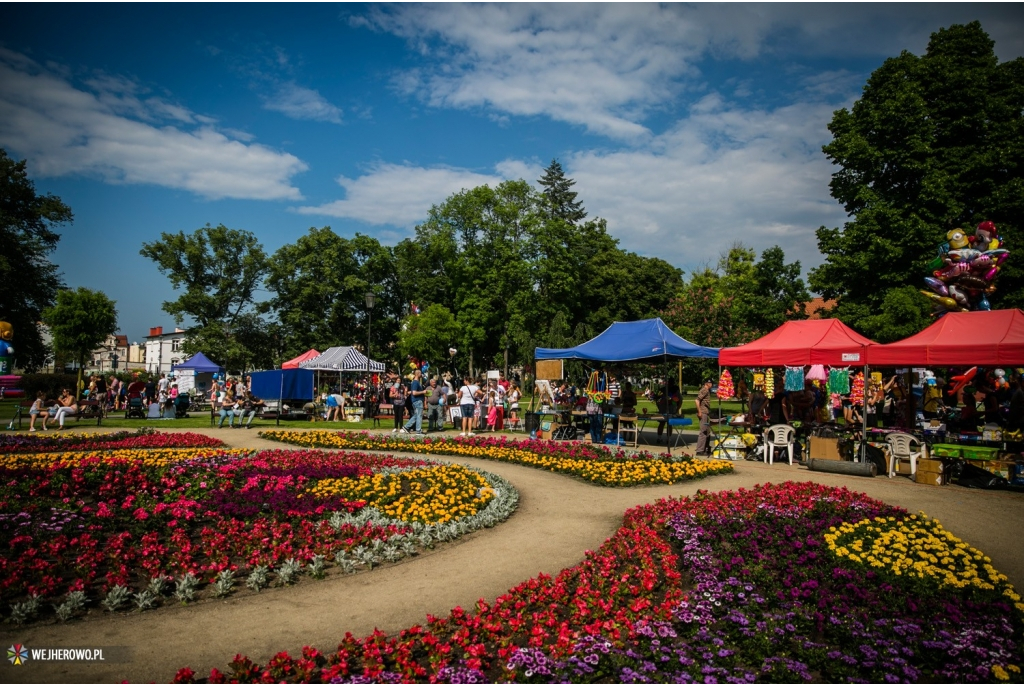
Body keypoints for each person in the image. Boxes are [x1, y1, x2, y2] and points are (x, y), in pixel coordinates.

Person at [400, 369, 427, 434]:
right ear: (417, 374)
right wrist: (423, 392)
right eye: (421, 373)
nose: (421, 375)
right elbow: (414, 393)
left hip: (417, 401)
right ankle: (418, 430)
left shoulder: (416, 382)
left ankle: (406, 427)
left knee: (416, 415)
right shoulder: (415, 382)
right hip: (417, 401)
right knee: (419, 416)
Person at [694, 378, 714, 456]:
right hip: (703, 412)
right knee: (703, 431)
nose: (712, 385)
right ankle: (699, 450)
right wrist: (699, 411)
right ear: (707, 383)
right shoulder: (704, 390)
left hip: (706, 412)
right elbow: (697, 400)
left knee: (707, 431)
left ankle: (705, 447)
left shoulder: (707, 390)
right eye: (711, 383)